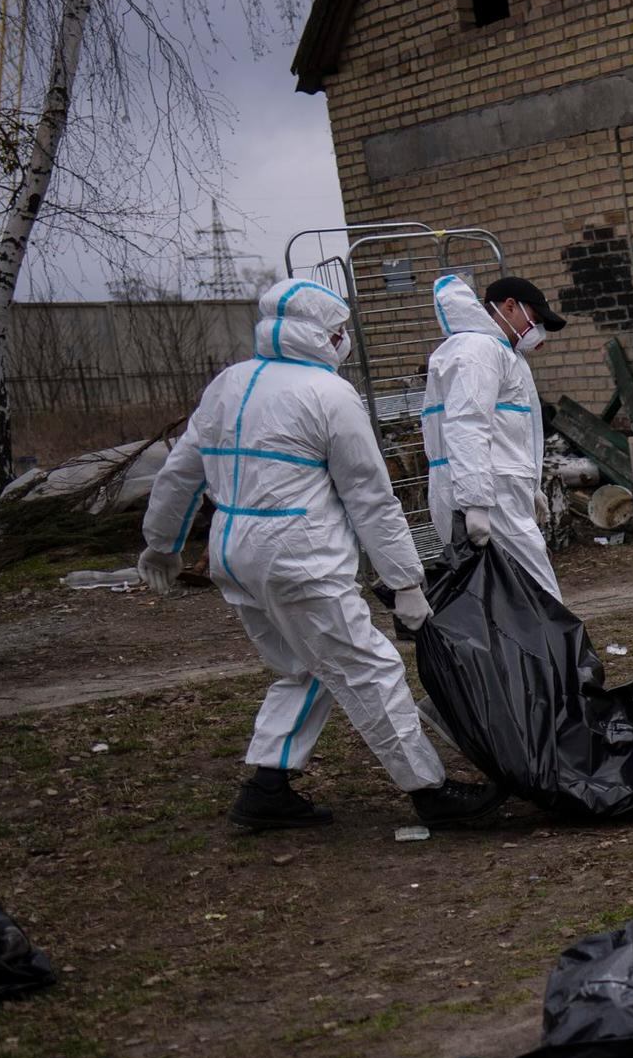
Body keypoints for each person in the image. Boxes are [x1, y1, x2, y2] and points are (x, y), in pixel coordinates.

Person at [137, 277, 505, 833]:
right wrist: (406, 581)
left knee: (301, 667)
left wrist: (161, 543)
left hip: (234, 556)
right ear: (326, 334)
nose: (343, 341)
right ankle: (429, 790)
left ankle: (268, 787)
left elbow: (181, 472)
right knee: (369, 667)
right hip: (299, 558)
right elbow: (370, 497)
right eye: (340, 332)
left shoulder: (228, 384)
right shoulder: (329, 395)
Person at [424, 273, 566, 597]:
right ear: (510, 307)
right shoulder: (480, 350)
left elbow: (509, 430)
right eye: (535, 318)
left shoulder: (499, 352)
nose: (538, 328)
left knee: (503, 594)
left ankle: (534, 648)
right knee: (535, 590)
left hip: (496, 488)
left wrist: (531, 485)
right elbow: (468, 423)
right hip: (489, 493)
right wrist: (476, 501)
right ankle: (554, 649)